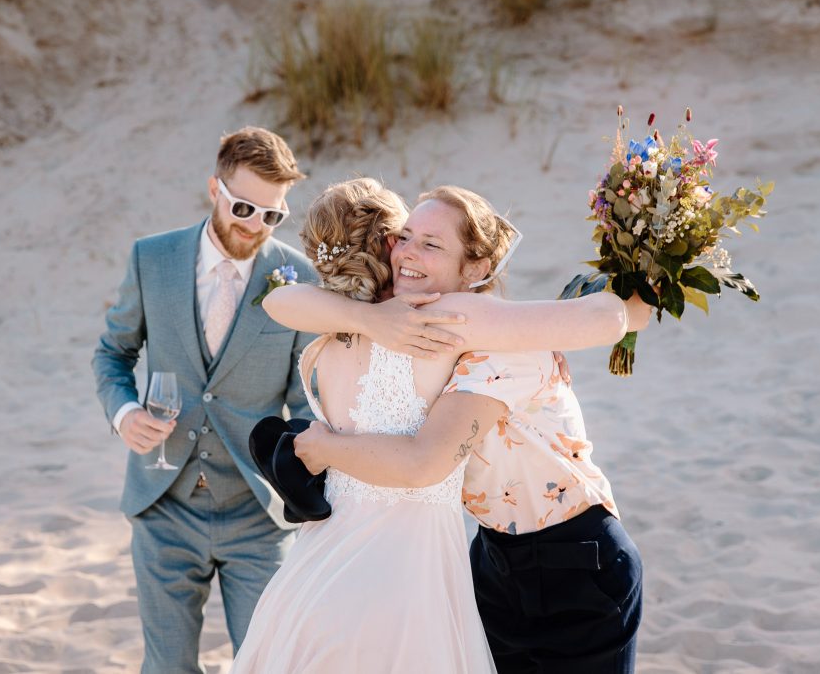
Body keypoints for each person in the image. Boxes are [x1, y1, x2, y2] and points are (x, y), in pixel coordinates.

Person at [270, 186, 648, 673]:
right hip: (492, 558)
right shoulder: (414, 327)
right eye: (403, 237)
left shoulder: (491, 333)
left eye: (431, 244)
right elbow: (283, 301)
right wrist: (369, 318)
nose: (406, 252)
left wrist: (323, 447)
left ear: (475, 267)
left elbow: (424, 462)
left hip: (578, 557)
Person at [231, 178, 498, 673]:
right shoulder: (430, 321)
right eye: (404, 236)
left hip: (317, 571)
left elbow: (279, 302)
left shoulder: (326, 338)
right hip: (404, 580)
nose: (409, 249)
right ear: (387, 244)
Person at [91, 126, 320, 673]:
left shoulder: (299, 279)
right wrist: (124, 414)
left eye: (272, 215)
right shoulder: (152, 259)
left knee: (266, 663)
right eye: (244, 207)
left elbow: (309, 402)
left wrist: (297, 473)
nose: (255, 225)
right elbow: (112, 354)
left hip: (257, 516)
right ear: (214, 188)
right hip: (162, 504)